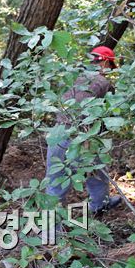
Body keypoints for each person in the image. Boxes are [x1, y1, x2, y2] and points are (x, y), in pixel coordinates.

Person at [45, 46, 122, 213]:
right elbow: (110, 111)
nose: (109, 71)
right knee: (98, 172)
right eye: (110, 67)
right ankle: (99, 204)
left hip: (58, 133)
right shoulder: (104, 83)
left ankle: (51, 230)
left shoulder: (71, 76)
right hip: (84, 136)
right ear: (105, 63)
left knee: (55, 182)